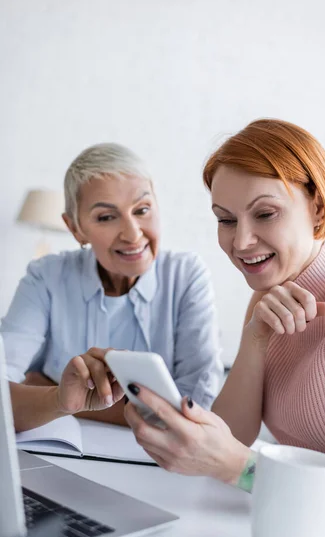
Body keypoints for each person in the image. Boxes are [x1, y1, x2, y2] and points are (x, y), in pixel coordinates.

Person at [117, 119, 325, 537]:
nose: (240, 241)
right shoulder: (267, 296)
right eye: (225, 220)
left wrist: (236, 468)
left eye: (264, 214)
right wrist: (253, 340)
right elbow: (235, 435)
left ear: (319, 208)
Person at [2, 143, 223, 432]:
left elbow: (195, 412)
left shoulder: (185, 275)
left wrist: (52, 392)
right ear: (75, 228)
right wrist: (59, 398)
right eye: (106, 217)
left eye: (142, 209)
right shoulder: (46, 275)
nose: (133, 234)